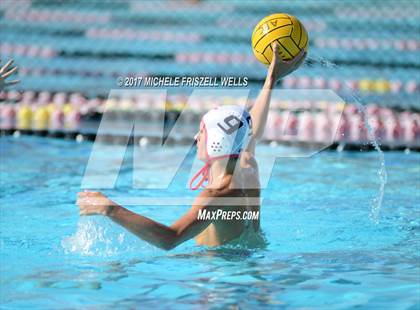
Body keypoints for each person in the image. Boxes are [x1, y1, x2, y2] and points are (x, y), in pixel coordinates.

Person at [77, 43, 306, 250]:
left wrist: (110, 208)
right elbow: (251, 132)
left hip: (222, 281)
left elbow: (170, 238)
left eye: (203, 132)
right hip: (245, 263)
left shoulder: (217, 195)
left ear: (218, 142)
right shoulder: (247, 167)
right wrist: (270, 80)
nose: (196, 137)